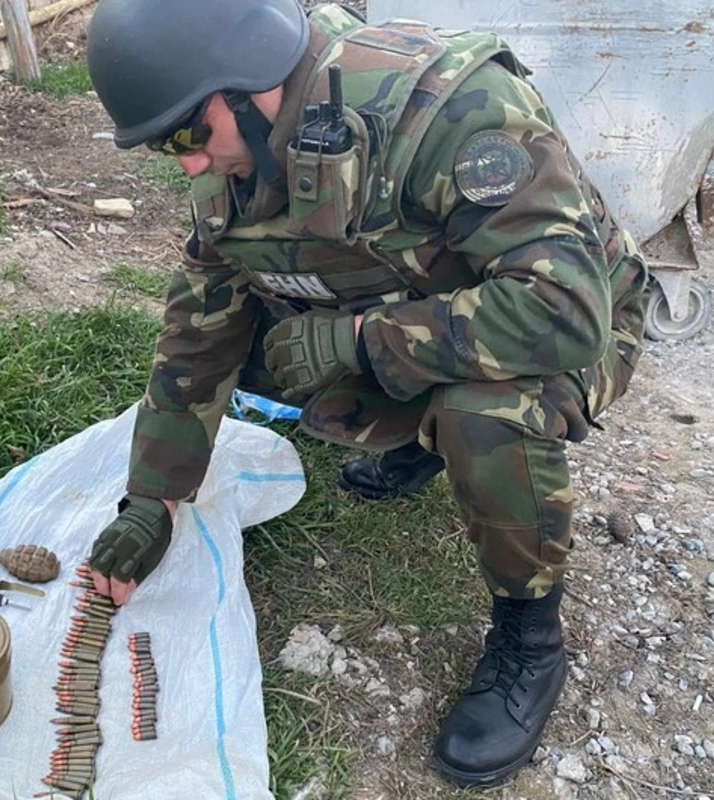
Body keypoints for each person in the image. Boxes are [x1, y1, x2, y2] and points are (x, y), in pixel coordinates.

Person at [83, 0, 650, 789]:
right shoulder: (237, 161)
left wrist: (353, 342)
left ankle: (531, 635)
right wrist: (154, 497)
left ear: (247, 82)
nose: (186, 166)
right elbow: (199, 327)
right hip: (435, 301)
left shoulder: (451, 107)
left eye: (186, 135)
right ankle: (425, 447)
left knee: (482, 415)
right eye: (165, 147)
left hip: (574, 319)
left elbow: (566, 313)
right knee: (256, 349)